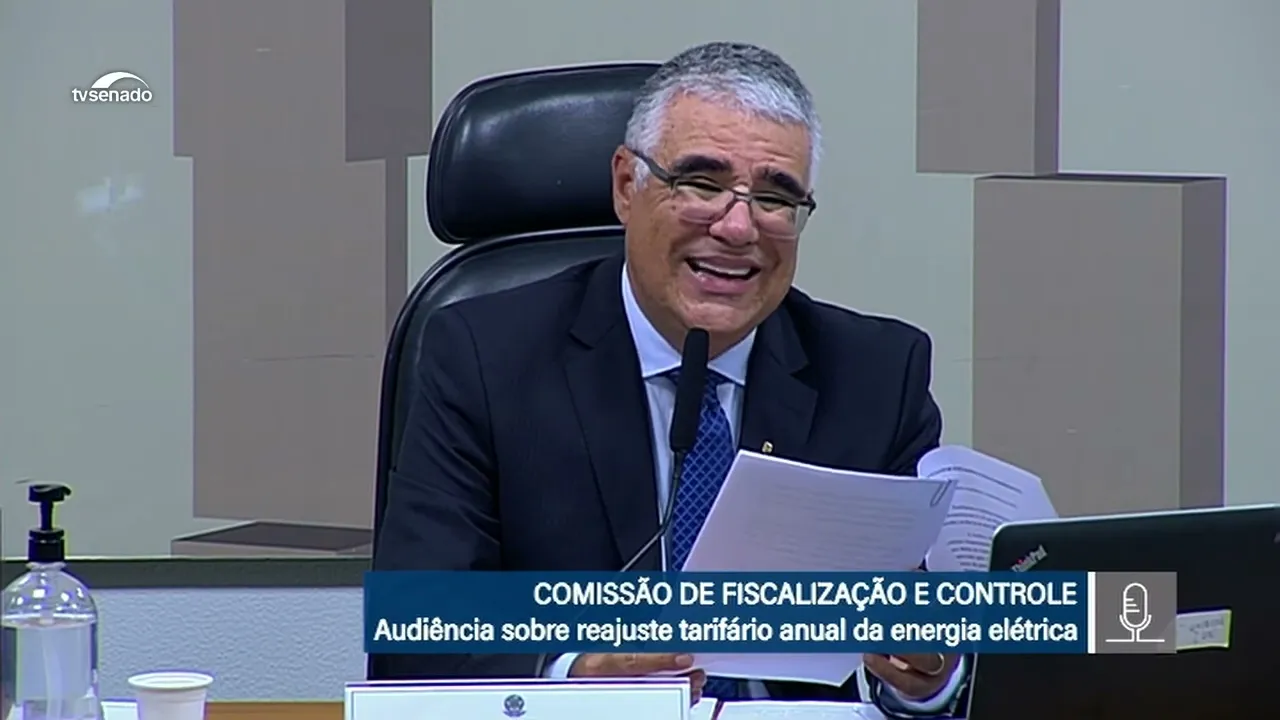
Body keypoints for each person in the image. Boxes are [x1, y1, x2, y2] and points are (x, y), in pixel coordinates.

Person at [371, 41, 967, 717]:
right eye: (702, 184)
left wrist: (927, 675)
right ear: (627, 185)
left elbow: (928, 647)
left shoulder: (876, 376)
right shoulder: (484, 357)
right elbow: (415, 631)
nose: (738, 227)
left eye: (776, 197)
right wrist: (573, 674)